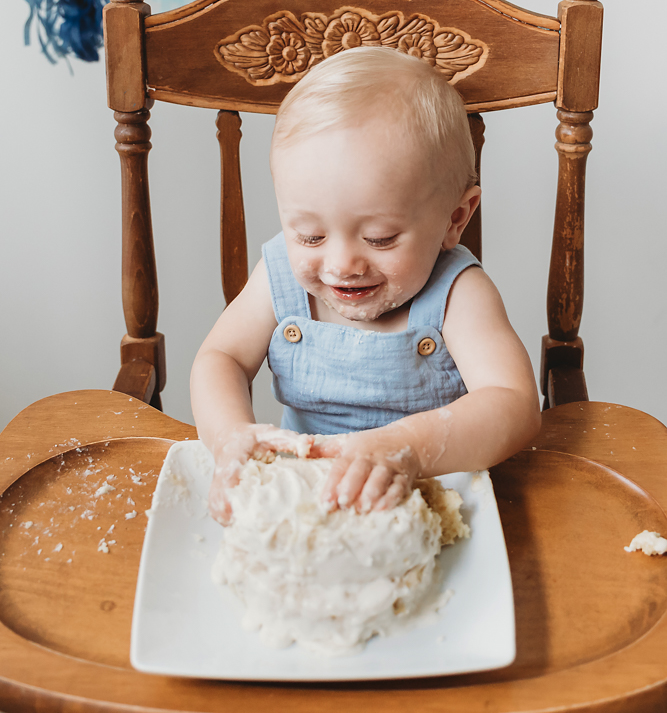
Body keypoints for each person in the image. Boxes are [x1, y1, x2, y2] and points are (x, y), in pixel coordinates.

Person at [191, 46, 541, 524]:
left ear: (454, 219)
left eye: (380, 238)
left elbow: (515, 404)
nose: (340, 264)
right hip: (307, 497)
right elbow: (220, 359)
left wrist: (405, 449)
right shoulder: (280, 280)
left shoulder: (458, 295)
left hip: (434, 502)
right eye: (309, 235)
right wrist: (231, 434)